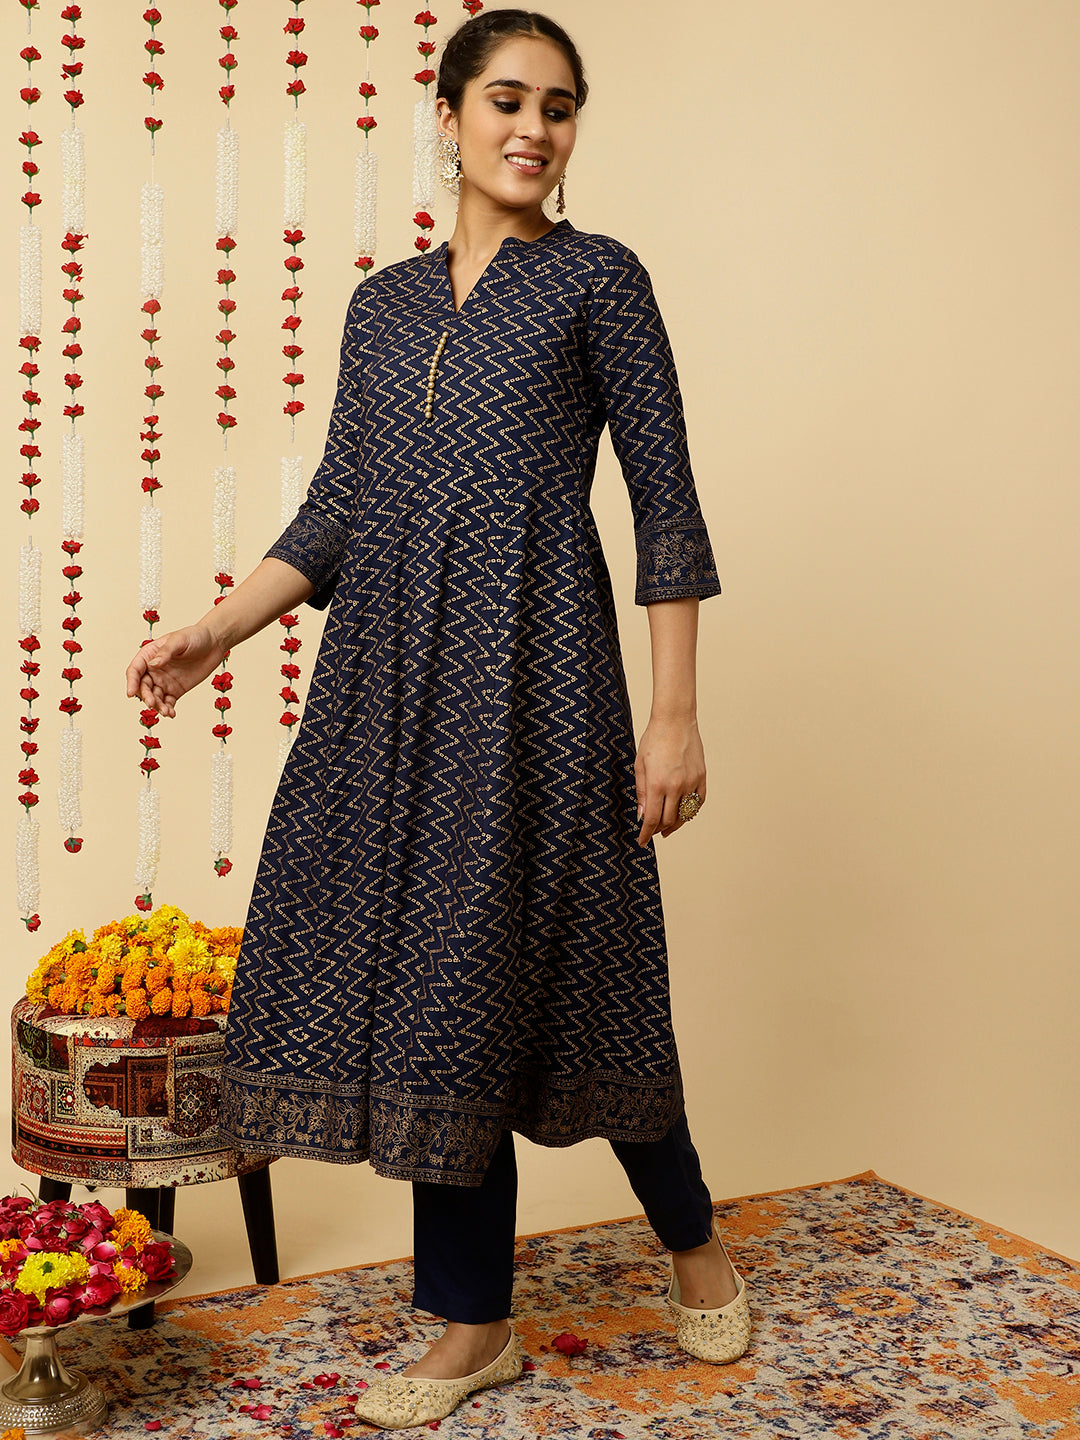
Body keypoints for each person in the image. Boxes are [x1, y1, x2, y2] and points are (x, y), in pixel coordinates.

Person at [126, 7, 750, 1430]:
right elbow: (339, 511)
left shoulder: (598, 279)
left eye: (560, 107)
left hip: (540, 679)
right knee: (434, 993)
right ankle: (473, 1323)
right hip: (390, 688)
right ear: (452, 112)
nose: (534, 128)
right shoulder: (385, 306)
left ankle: (694, 1240)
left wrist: (673, 717)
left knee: (586, 974)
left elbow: (666, 504)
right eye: (508, 100)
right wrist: (218, 631)